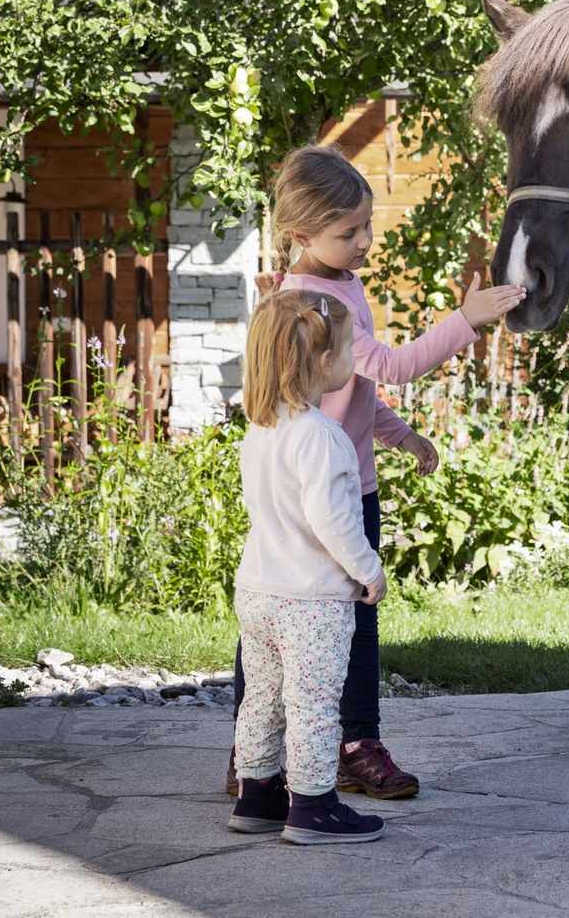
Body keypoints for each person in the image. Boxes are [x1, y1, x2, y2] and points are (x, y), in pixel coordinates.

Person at [225, 144, 525, 799]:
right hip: (319, 494)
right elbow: (390, 364)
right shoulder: (309, 300)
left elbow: (361, 390)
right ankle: (279, 750)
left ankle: (323, 745)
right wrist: (465, 321)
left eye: (367, 226)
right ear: (301, 234)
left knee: (339, 622)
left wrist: (402, 436)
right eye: (348, 231)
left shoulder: (341, 284)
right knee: (295, 621)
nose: (364, 241)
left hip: (350, 480)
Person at [226, 289, 388, 844]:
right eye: (347, 349)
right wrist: (369, 569)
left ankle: (257, 792)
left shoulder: (262, 429)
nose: (353, 358)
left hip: (259, 591)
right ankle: (313, 804)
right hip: (312, 601)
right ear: (321, 364)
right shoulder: (323, 436)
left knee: (263, 698)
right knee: (314, 704)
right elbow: (334, 520)